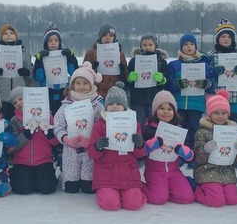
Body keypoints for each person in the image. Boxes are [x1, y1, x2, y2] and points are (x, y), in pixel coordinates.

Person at [87, 82, 147, 211]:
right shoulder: (99, 125)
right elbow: (92, 153)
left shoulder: (134, 125)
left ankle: (129, 193)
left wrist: (139, 144)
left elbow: (139, 154)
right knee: (110, 204)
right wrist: (98, 146)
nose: (114, 106)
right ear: (106, 106)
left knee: (134, 204)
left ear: (125, 106)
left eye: (118, 103)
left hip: (129, 174)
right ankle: (107, 193)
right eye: (111, 104)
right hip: (106, 174)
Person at [53, 62, 104, 194]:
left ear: (91, 84)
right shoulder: (66, 104)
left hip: (90, 150)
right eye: (78, 83)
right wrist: (65, 139)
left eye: (85, 83)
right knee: (71, 188)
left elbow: (103, 126)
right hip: (71, 149)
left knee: (88, 188)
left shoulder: (97, 105)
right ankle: (65, 176)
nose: (81, 86)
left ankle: (87, 179)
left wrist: (94, 140)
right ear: (73, 85)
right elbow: (57, 124)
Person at [191, 90, 237, 207]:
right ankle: (195, 189)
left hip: (227, 173)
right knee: (216, 201)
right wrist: (205, 150)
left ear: (228, 114)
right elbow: (197, 158)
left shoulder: (233, 132)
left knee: (233, 200)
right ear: (209, 114)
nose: (220, 116)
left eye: (223, 113)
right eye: (216, 113)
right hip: (207, 172)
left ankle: (218, 190)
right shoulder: (202, 132)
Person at [141, 90, 195, 205]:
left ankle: (169, 188)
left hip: (174, 169)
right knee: (158, 198)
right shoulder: (148, 129)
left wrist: (185, 152)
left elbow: (191, 155)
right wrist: (150, 145)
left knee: (187, 197)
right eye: (162, 108)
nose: (166, 112)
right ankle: (137, 185)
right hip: (154, 170)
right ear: (155, 111)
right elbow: (139, 153)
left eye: (169, 109)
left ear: (174, 112)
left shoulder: (179, 130)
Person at [8, 87, 59, 195]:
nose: (18, 103)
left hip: (43, 160)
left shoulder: (47, 115)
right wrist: (26, 134)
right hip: (22, 161)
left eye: (20, 99)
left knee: (47, 188)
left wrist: (49, 134)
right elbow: (13, 147)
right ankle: (15, 173)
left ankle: (46, 175)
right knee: (22, 189)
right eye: (15, 102)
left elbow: (55, 142)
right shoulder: (14, 120)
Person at [166, 33, 213, 146]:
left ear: (195, 46)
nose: (189, 47)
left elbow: (211, 84)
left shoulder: (204, 65)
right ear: (181, 47)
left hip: (196, 105)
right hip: (179, 104)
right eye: (185, 44)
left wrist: (207, 84)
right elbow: (168, 84)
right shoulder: (173, 65)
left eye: (192, 44)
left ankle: (191, 153)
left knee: (193, 131)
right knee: (178, 130)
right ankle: (179, 152)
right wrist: (177, 84)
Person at [125, 32, 169, 131]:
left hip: (155, 99)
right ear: (140, 46)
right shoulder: (133, 61)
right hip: (137, 99)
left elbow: (167, 80)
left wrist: (163, 80)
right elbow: (127, 82)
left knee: (155, 124)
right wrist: (129, 79)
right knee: (138, 124)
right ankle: (139, 139)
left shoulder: (161, 62)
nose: (147, 47)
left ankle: (154, 139)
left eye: (150, 45)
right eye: (144, 45)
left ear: (155, 46)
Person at [0, 23, 33, 120]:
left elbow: (31, 74)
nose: (9, 35)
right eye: (5, 33)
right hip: (2, 94)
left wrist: (26, 72)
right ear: (1, 37)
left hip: (20, 97)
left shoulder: (25, 53)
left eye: (11, 33)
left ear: (16, 36)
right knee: (4, 120)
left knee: (20, 120)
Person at [33, 22, 78, 114]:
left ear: (59, 42)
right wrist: (39, 61)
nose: (53, 43)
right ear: (46, 43)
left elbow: (74, 73)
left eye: (56, 40)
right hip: (47, 92)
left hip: (63, 92)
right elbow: (39, 77)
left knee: (64, 115)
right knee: (49, 116)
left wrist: (71, 57)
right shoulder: (42, 56)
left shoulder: (64, 55)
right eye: (50, 41)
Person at [207, 19, 237, 126]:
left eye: (229, 37)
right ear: (217, 38)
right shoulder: (210, 55)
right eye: (223, 36)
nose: (226, 39)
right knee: (217, 123)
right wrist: (213, 73)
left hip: (236, 95)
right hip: (217, 95)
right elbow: (206, 75)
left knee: (235, 123)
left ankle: (236, 137)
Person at [83, 23, 128, 98]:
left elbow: (125, 76)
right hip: (96, 93)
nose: (107, 38)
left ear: (114, 38)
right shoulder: (90, 53)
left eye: (111, 36)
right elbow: (83, 75)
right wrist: (92, 69)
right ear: (100, 37)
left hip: (114, 92)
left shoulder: (120, 54)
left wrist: (123, 71)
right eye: (104, 35)